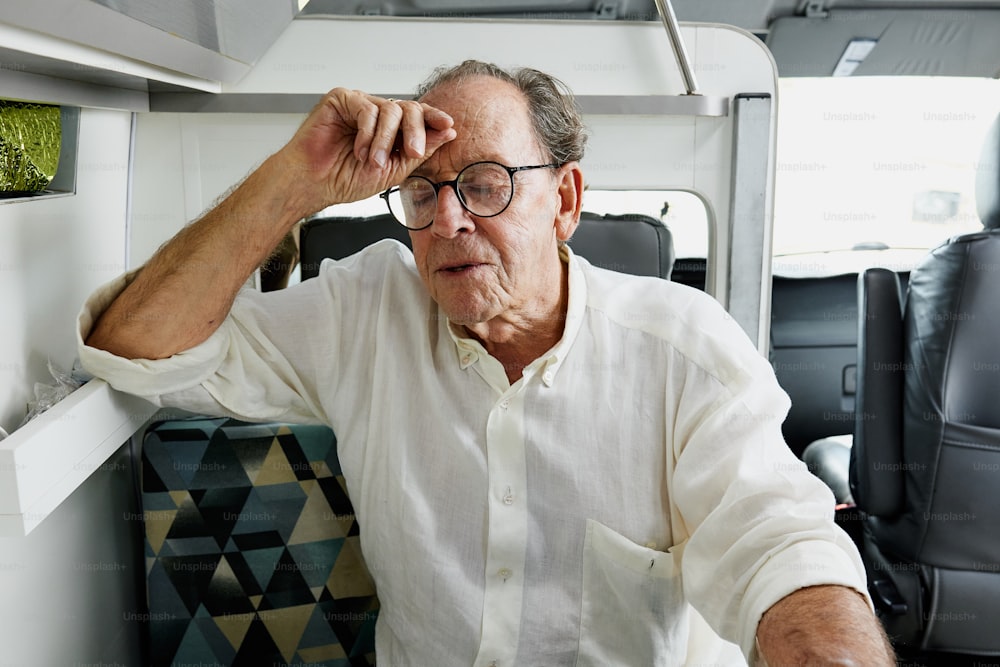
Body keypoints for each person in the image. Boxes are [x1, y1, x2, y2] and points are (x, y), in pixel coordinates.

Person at [79, 60, 894, 665]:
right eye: (425, 192)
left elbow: (782, 553)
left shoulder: (684, 349)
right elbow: (137, 343)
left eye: (487, 183)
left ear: (565, 201)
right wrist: (296, 182)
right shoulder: (365, 310)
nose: (450, 221)